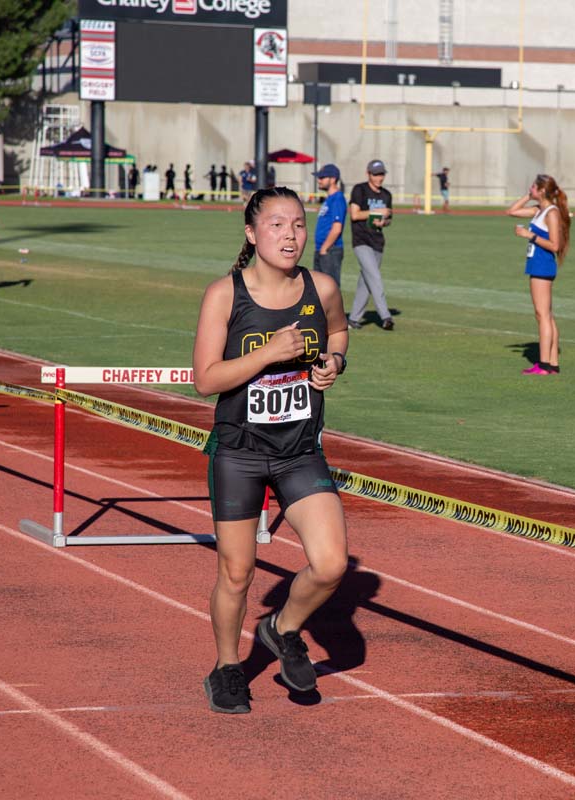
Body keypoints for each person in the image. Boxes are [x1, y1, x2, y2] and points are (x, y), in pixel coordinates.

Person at [192, 186, 350, 713]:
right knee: (237, 573)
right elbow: (205, 379)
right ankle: (226, 668)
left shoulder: (321, 287)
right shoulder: (225, 294)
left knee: (330, 565)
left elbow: (339, 331)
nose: (290, 235)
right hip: (238, 450)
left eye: (299, 225)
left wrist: (334, 363)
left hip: (300, 449)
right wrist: (269, 353)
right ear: (251, 233)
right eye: (277, 225)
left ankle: (281, 628)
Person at [506, 174, 570, 375]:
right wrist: (528, 196)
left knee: (542, 315)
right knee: (546, 316)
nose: (530, 188)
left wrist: (529, 235)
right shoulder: (539, 210)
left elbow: (555, 244)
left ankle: (543, 365)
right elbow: (511, 211)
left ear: (542, 190)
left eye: (533, 187)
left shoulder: (551, 213)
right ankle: (552, 363)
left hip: (543, 266)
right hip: (537, 265)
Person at [347, 159, 395, 331]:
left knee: (366, 282)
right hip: (361, 241)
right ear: (368, 174)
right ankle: (386, 316)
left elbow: (389, 219)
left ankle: (353, 319)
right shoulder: (359, 190)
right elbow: (354, 214)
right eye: (375, 174)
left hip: (378, 242)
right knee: (374, 276)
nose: (379, 177)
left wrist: (385, 220)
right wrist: (376, 212)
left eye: (381, 174)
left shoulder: (386, 195)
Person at [311, 163, 346, 285]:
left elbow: (337, 228)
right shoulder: (329, 199)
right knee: (319, 290)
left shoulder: (337, 199)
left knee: (330, 289)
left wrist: (324, 248)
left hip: (330, 250)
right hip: (322, 249)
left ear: (333, 179)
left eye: (322, 177)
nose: (318, 180)